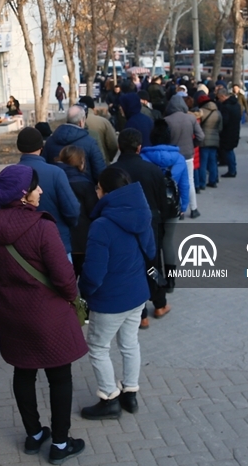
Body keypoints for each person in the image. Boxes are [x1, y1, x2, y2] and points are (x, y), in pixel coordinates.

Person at [0, 165, 88, 465]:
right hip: (48, 315)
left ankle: (35, 434)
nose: (41, 191)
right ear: (23, 195)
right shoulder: (42, 226)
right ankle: (61, 443)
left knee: (23, 372)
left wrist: (11, 292)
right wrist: (70, 298)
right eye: (36, 188)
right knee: (59, 377)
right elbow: (65, 277)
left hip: (12, 314)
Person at [79, 168, 156, 420]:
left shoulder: (102, 225)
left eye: (99, 188)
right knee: (129, 343)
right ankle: (130, 394)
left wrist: (84, 294)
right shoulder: (140, 213)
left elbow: (94, 273)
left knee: (99, 347)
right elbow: (151, 250)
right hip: (136, 294)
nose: (96, 191)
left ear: (108, 193)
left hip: (110, 300)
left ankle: (109, 397)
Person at [111, 129, 171, 328]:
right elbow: (163, 202)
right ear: (139, 148)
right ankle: (160, 303)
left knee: (133, 267)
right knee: (154, 265)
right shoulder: (152, 170)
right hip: (150, 223)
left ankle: (142, 314)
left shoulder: (111, 172)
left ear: (119, 146)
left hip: (122, 224)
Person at [17, 126, 81, 255]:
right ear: (41, 147)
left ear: (19, 148)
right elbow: (72, 210)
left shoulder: (11, 174)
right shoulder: (56, 173)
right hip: (57, 243)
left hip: (21, 245)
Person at [57, 145, 99, 276]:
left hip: (61, 237)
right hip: (83, 239)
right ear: (81, 161)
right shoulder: (85, 184)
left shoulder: (56, 179)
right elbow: (93, 211)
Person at [163, 93, 204, 218]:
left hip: (173, 156)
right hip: (188, 154)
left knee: (174, 182)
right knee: (189, 181)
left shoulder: (167, 121)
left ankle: (178, 210)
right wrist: (193, 144)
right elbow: (201, 136)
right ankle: (194, 208)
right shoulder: (191, 119)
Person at [42, 105, 107, 181]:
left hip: (57, 186)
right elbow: (99, 171)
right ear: (81, 122)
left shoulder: (51, 140)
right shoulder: (90, 142)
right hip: (84, 187)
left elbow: (45, 166)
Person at [78, 96, 119, 165]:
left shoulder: (73, 121)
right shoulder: (104, 122)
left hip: (79, 163)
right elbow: (113, 144)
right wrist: (109, 157)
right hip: (102, 161)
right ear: (93, 108)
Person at [196, 93, 221, 189]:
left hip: (204, 140)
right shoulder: (218, 112)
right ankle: (213, 181)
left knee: (203, 162)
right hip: (215, 140)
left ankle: (202, 183)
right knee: (213, 161)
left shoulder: (201, 112)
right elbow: (220, 127)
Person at [218, 86, 243, 178]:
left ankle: (232, 170)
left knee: (228, 151)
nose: (219, 100)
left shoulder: (225, 107)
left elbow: (225, 121)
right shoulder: (236, 105)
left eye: (219, 97)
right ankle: (232, 169)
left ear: (223, 96)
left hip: (227, 132)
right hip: (235, 130)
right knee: (230, 150)